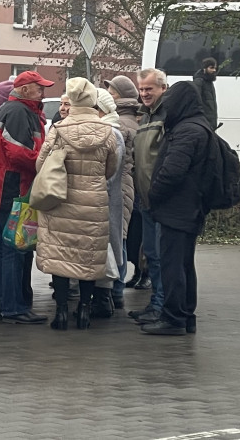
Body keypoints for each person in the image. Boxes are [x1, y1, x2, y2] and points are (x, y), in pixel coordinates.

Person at [35, 78, 119, 330]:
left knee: (61, 257)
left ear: (71, 101)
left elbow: (40, 164)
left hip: (60, 200)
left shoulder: (59, 130)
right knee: (88, 258)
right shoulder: (106, 131)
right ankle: (84, 310)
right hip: (93, 202)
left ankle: (60, 312)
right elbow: (111, 168)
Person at [0, 70, 54, 325]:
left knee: (4, 246)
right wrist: (47, 161)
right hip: (12, 187)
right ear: (25, 90)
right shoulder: (20, 113)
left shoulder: (12, 111)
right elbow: (19, 154)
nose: (43, 92)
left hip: (3, 185)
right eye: (39, 88)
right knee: (14, 247)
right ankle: (12, 307)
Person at [142, 81, 212, 336]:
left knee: (173, 264)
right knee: (183, 264)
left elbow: (172, 171)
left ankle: (173, 318)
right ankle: (185, 315)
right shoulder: (198, 126)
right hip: (190, 207)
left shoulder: (187, 131)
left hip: (178, 209)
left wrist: (154, 194)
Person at [129, 68, 169, 325]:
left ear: (163, 88)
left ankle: (162, 305)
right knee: (152, 256)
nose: (144, 94)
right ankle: (156, 303)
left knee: (162, 257)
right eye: (141, 89)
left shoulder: (168, 116)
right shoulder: (146, 117)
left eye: (149, 89)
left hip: (161, 201)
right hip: (145, 200)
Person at [90, 88, 128, 318]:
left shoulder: (113, 134)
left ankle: (106, 298)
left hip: (105, 201)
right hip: (102, 200)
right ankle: (105, 297)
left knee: (108, 249)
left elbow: (110, 174)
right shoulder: (108, 132)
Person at [105, 75, 139, 307]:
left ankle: (116, 289)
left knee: (118, 238)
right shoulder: (131, 120)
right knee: (120, 237)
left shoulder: (120, 124)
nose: (109, 94)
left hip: (120, 185)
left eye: (113, 92)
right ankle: (115, 289)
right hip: (126, 184)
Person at [192, 57, 219, 130]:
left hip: (209, 122)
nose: (214, 70)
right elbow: (196, 101)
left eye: (215, 68)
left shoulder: (209, 81)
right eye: (211, 68)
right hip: (204, 122)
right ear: (205, 68)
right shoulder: (199, 81)